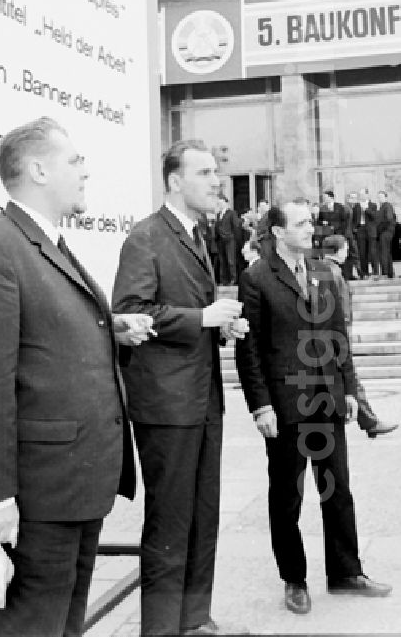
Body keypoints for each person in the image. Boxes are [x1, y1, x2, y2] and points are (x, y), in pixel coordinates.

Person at [0, 116, 151, 637]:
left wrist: (107, 330)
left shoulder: (46, 244)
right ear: (38, 168)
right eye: (75, 161)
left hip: (71, 488)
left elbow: (43, 339)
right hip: (31, 499)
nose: (86, 172)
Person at [111, 139, 247, 637]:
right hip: (166, 406)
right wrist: (202, 317)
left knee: (202, 516)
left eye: (217, 172)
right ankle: (163, 630)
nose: (217, 181)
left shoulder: (194, 234)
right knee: (170, 523)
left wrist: (219, 326)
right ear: (174, 181)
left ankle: (195, 620)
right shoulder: (146, 237)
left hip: (201, 399)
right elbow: (131, 309)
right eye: (206, 172)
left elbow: (181, 312)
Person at [235, 198, 391, 616]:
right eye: (301, 223)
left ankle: (345, 572)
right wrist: (260, 406)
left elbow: (337, 336)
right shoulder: (256, 278)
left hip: (326, 398)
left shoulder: (323, 271)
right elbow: (248, 351)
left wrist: (350, 391)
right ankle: (294, 578)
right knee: (287, 496)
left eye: (310, 222)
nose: (311, 229)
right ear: (278, 232)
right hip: (285, 406)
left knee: (337, 488)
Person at [321, 235, 399, 438]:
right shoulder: (334, 273)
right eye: (346, 248)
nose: (347, 252)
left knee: (345, 379)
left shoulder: (321, 269)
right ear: (340, 250)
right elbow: (341, 310)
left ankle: (367, 420)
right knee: (350, 378)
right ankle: (369, 421)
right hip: (337, 336)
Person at [215, 194, 241, 285]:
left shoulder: (231, 213)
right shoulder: (218, 214)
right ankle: (223, 280)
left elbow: (236, 226)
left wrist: (235, 239)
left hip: (230, 240)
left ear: (226, 203)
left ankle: (233, 279)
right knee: (222, 261)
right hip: (220, 240)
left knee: (231, 260)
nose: (220, 205)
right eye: (219, 203)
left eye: (221, 203)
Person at [355, 188, 379, 279]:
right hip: (360, 229)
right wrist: (355, 229)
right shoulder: (357, 206)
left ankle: (375, 271)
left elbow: (374, 217)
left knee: (372, 252)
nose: (361, 196)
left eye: (362, 194)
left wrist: (366, 210)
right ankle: (364, 273)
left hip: (371, 231)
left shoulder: (373, 205)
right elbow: (354, 219)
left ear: (367, 195)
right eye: (360, 194)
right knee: (362, 252)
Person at [375, 190, 396, 278]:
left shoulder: (387, 206)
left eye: (381, 197)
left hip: (386, 232)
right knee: (386, 252)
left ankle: (385, 272)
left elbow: (388, 219)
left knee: (384, 252)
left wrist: (379, 229)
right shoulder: (382, 207)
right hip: (384, 232)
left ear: (385, 197)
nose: (379, 198)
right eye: (378, 197)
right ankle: (389, 273)